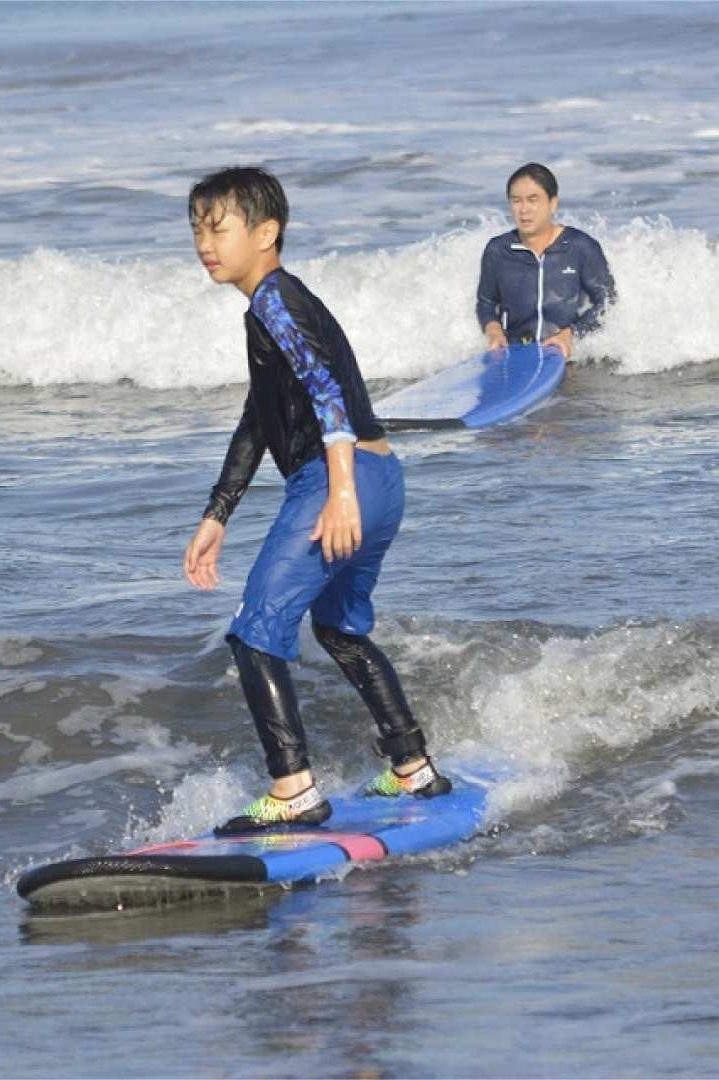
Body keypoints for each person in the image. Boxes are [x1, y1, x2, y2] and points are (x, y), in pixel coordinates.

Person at [181, 166, 451, 835]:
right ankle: (411, 765)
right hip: (381, 479)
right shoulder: (271, 309)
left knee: (254, 632)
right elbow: (258, 418)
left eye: (218, 227)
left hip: (342, 479)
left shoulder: (275, 298)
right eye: (195, 228)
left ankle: (293, 789)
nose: (203, 242)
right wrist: (218, 511)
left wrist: (336, 494)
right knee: (337, 628)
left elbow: (327, 392)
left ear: (265, 232)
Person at [477, 162, 616, 356]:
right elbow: (486, 303)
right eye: (516, 201)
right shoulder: (498, 250)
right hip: (516, 353)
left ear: (553, 204)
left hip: (566, 356)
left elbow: (607, 301)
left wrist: (571, 334)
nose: (523, 209)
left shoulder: (580, 247)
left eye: (533, 200)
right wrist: (494, 332)